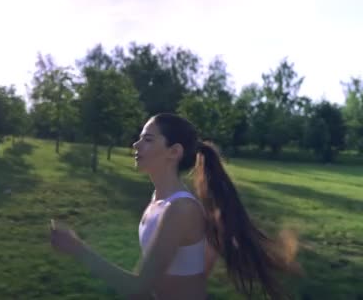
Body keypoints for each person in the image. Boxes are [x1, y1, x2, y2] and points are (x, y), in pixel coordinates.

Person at [49, 113, 301, 299]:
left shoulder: (180, 210)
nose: (136, 145)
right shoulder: (158, 201)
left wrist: (76, 248)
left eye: (147, 139)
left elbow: (138, 289)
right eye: (139, 139)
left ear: (174, 152)